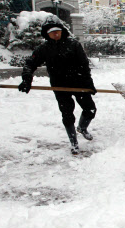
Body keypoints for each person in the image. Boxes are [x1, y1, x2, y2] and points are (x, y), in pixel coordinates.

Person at [18, 15, 97, 155]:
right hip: (60, 86)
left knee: (90, 109)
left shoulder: (74, 45)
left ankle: (82, 128)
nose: (55, 33)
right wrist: (26, 79)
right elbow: (30, 63)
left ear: (62, 30)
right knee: (67, 114)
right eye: (51, 31)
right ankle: (74, 142)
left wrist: (88, 83)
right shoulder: (44, 49)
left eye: (57, 30)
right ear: (46, 33)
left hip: (78, 83)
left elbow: (84, 65)